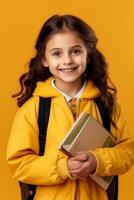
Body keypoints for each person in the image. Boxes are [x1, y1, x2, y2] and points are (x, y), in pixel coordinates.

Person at [6, 14, 134, 200]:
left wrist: (96, 161)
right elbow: (19, 164)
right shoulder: (32, 109)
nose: (67, 60)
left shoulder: (107, 105)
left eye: (75, 51)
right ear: (44, 59)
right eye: (56, 53)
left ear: (88, 55)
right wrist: (62, 167)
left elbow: (127, 152)